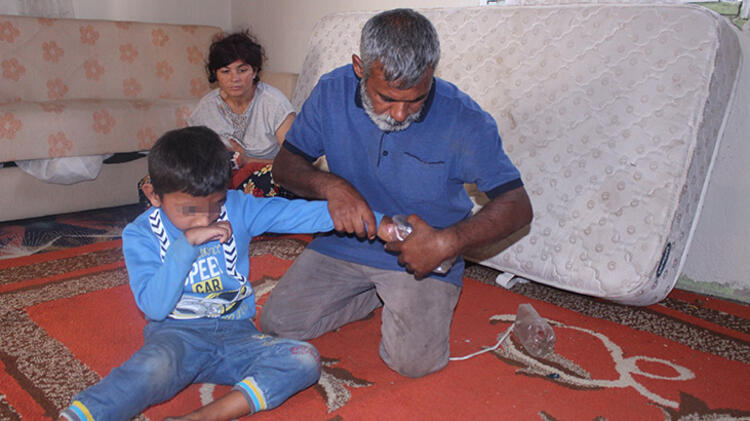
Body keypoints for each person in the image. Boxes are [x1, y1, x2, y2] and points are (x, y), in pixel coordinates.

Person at [260, 8, 533, 378]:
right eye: (386, 98)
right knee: (278, 323)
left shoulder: (465, 119)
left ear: (431, 73)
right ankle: (375, 294)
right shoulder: (331, 91)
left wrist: (447, 242)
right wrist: (331, 186)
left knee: (412, 363)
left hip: (422, 255)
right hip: (344, 242)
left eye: (415, 99)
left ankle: (393, 293)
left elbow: (517, 206)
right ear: (360, 68)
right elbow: (285, 166)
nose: (401, 114)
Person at [59, 126, 387, 421]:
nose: (205, 219)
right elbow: (155, 308)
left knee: (303, 359)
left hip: (238, 337)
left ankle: (207, 416)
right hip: (176, 338)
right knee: (150, 369)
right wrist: (185, 245)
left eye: (215, 205)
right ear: (154, 196)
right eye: (189, 210)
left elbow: (298, 215)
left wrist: (378, 220)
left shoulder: (238, 207)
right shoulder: (140, 235)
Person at [137, 30, 295, 207]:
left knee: (274, 181)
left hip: (262, 173)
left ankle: (223, 216)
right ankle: (197, 223)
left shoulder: (274, 103)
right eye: (225, 71)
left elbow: (295, 161)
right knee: (153, 184)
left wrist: (248, 161)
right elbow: (189, 155)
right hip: (219, 178)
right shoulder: (207, 107)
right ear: (215, 74)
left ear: (255, 71)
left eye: (242, 70)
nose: (234, 79)